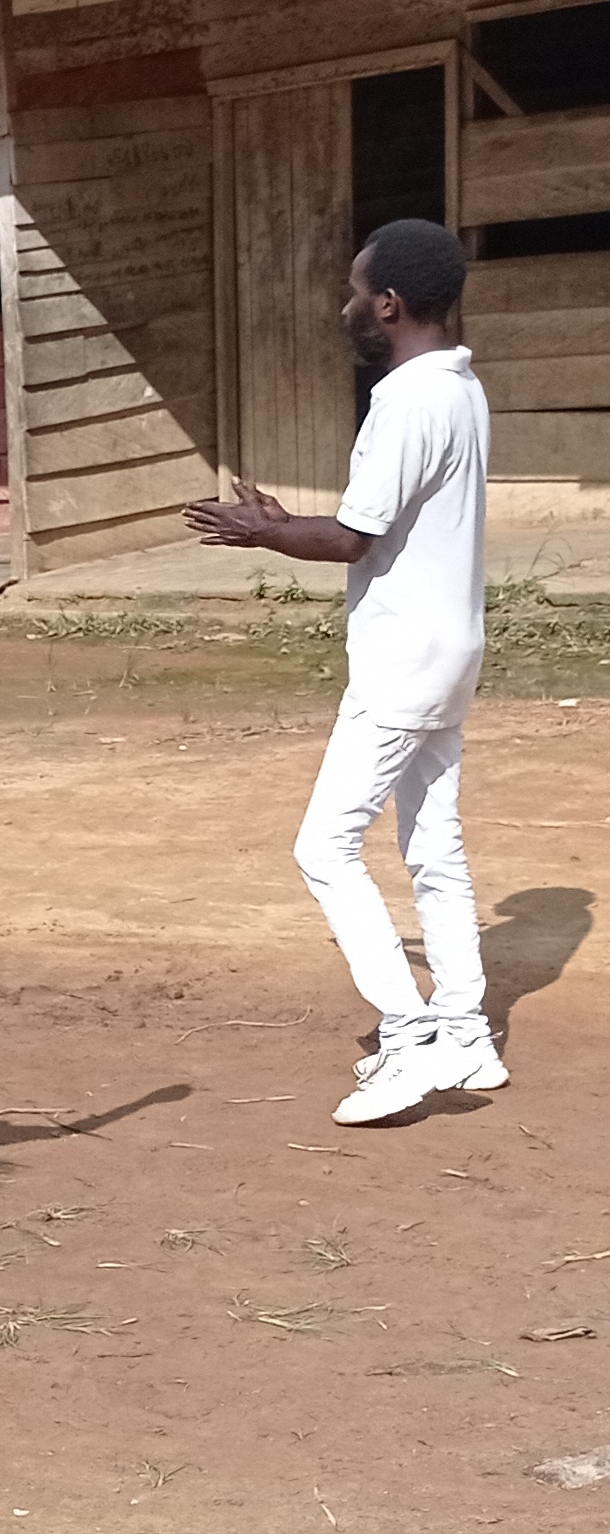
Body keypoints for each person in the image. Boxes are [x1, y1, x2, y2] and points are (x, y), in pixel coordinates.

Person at [183, 219, 496, 1125]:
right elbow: (380, 523)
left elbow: (356, 538)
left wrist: (262, 532)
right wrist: (286, 522)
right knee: (434, 845)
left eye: (359, 291)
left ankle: (407, 1037)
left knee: (323, 847)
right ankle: (466, 1031)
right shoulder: (463, 390)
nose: (347, 304)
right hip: (452, 648)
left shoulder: (403, 400)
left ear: (390, 305)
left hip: (403, 659)